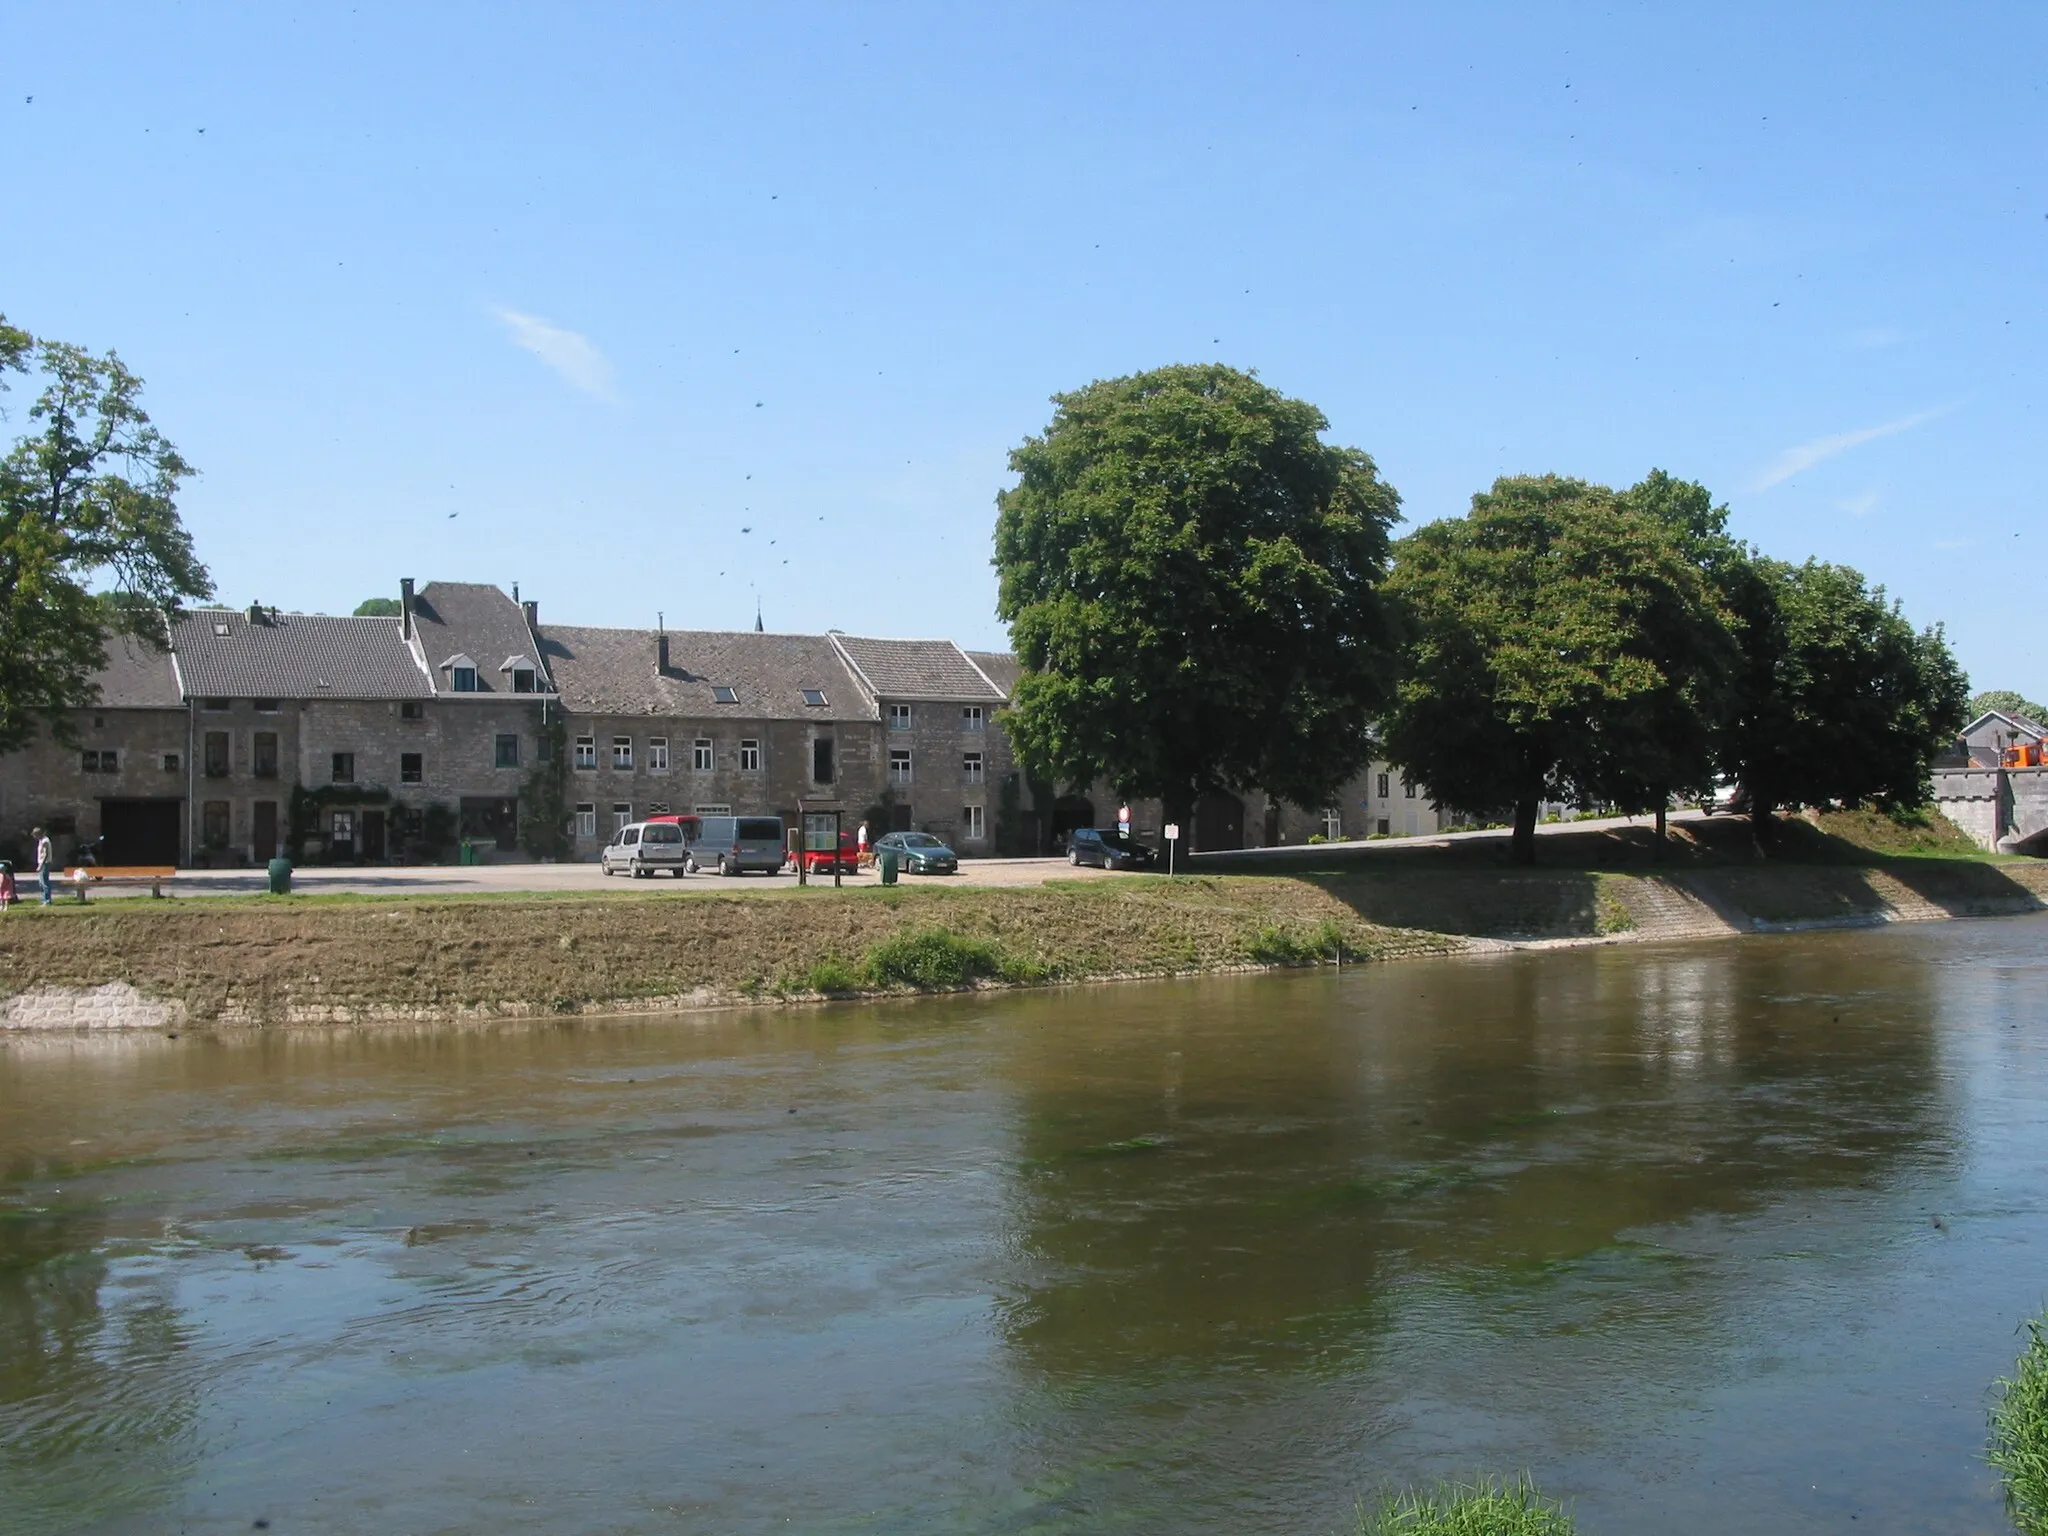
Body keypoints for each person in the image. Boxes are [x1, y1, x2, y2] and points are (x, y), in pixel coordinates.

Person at [34, 825, 54, 906]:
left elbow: (45, 854)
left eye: (35, 835)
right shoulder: (41, 840)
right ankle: (43, 900)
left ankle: (47, 901)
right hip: (41, 863)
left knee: (44, 882)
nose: (34, 837)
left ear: (38, 834)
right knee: (41, 883)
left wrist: (40, 865)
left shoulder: (45, 841)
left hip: (45, 863)